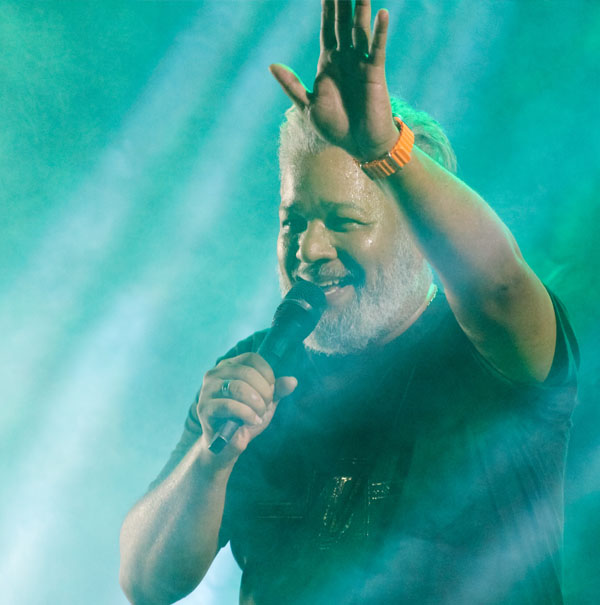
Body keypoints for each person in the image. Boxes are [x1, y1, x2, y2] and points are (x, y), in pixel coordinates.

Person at [119, 1, 579, 603]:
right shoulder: (255, 370)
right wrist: (211, 462)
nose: (308, 249)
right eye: (293, 221)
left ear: (420, 237)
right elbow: (146, 583)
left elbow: (500, 285)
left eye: (344, 220)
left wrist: (384, 147)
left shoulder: (487, 352)